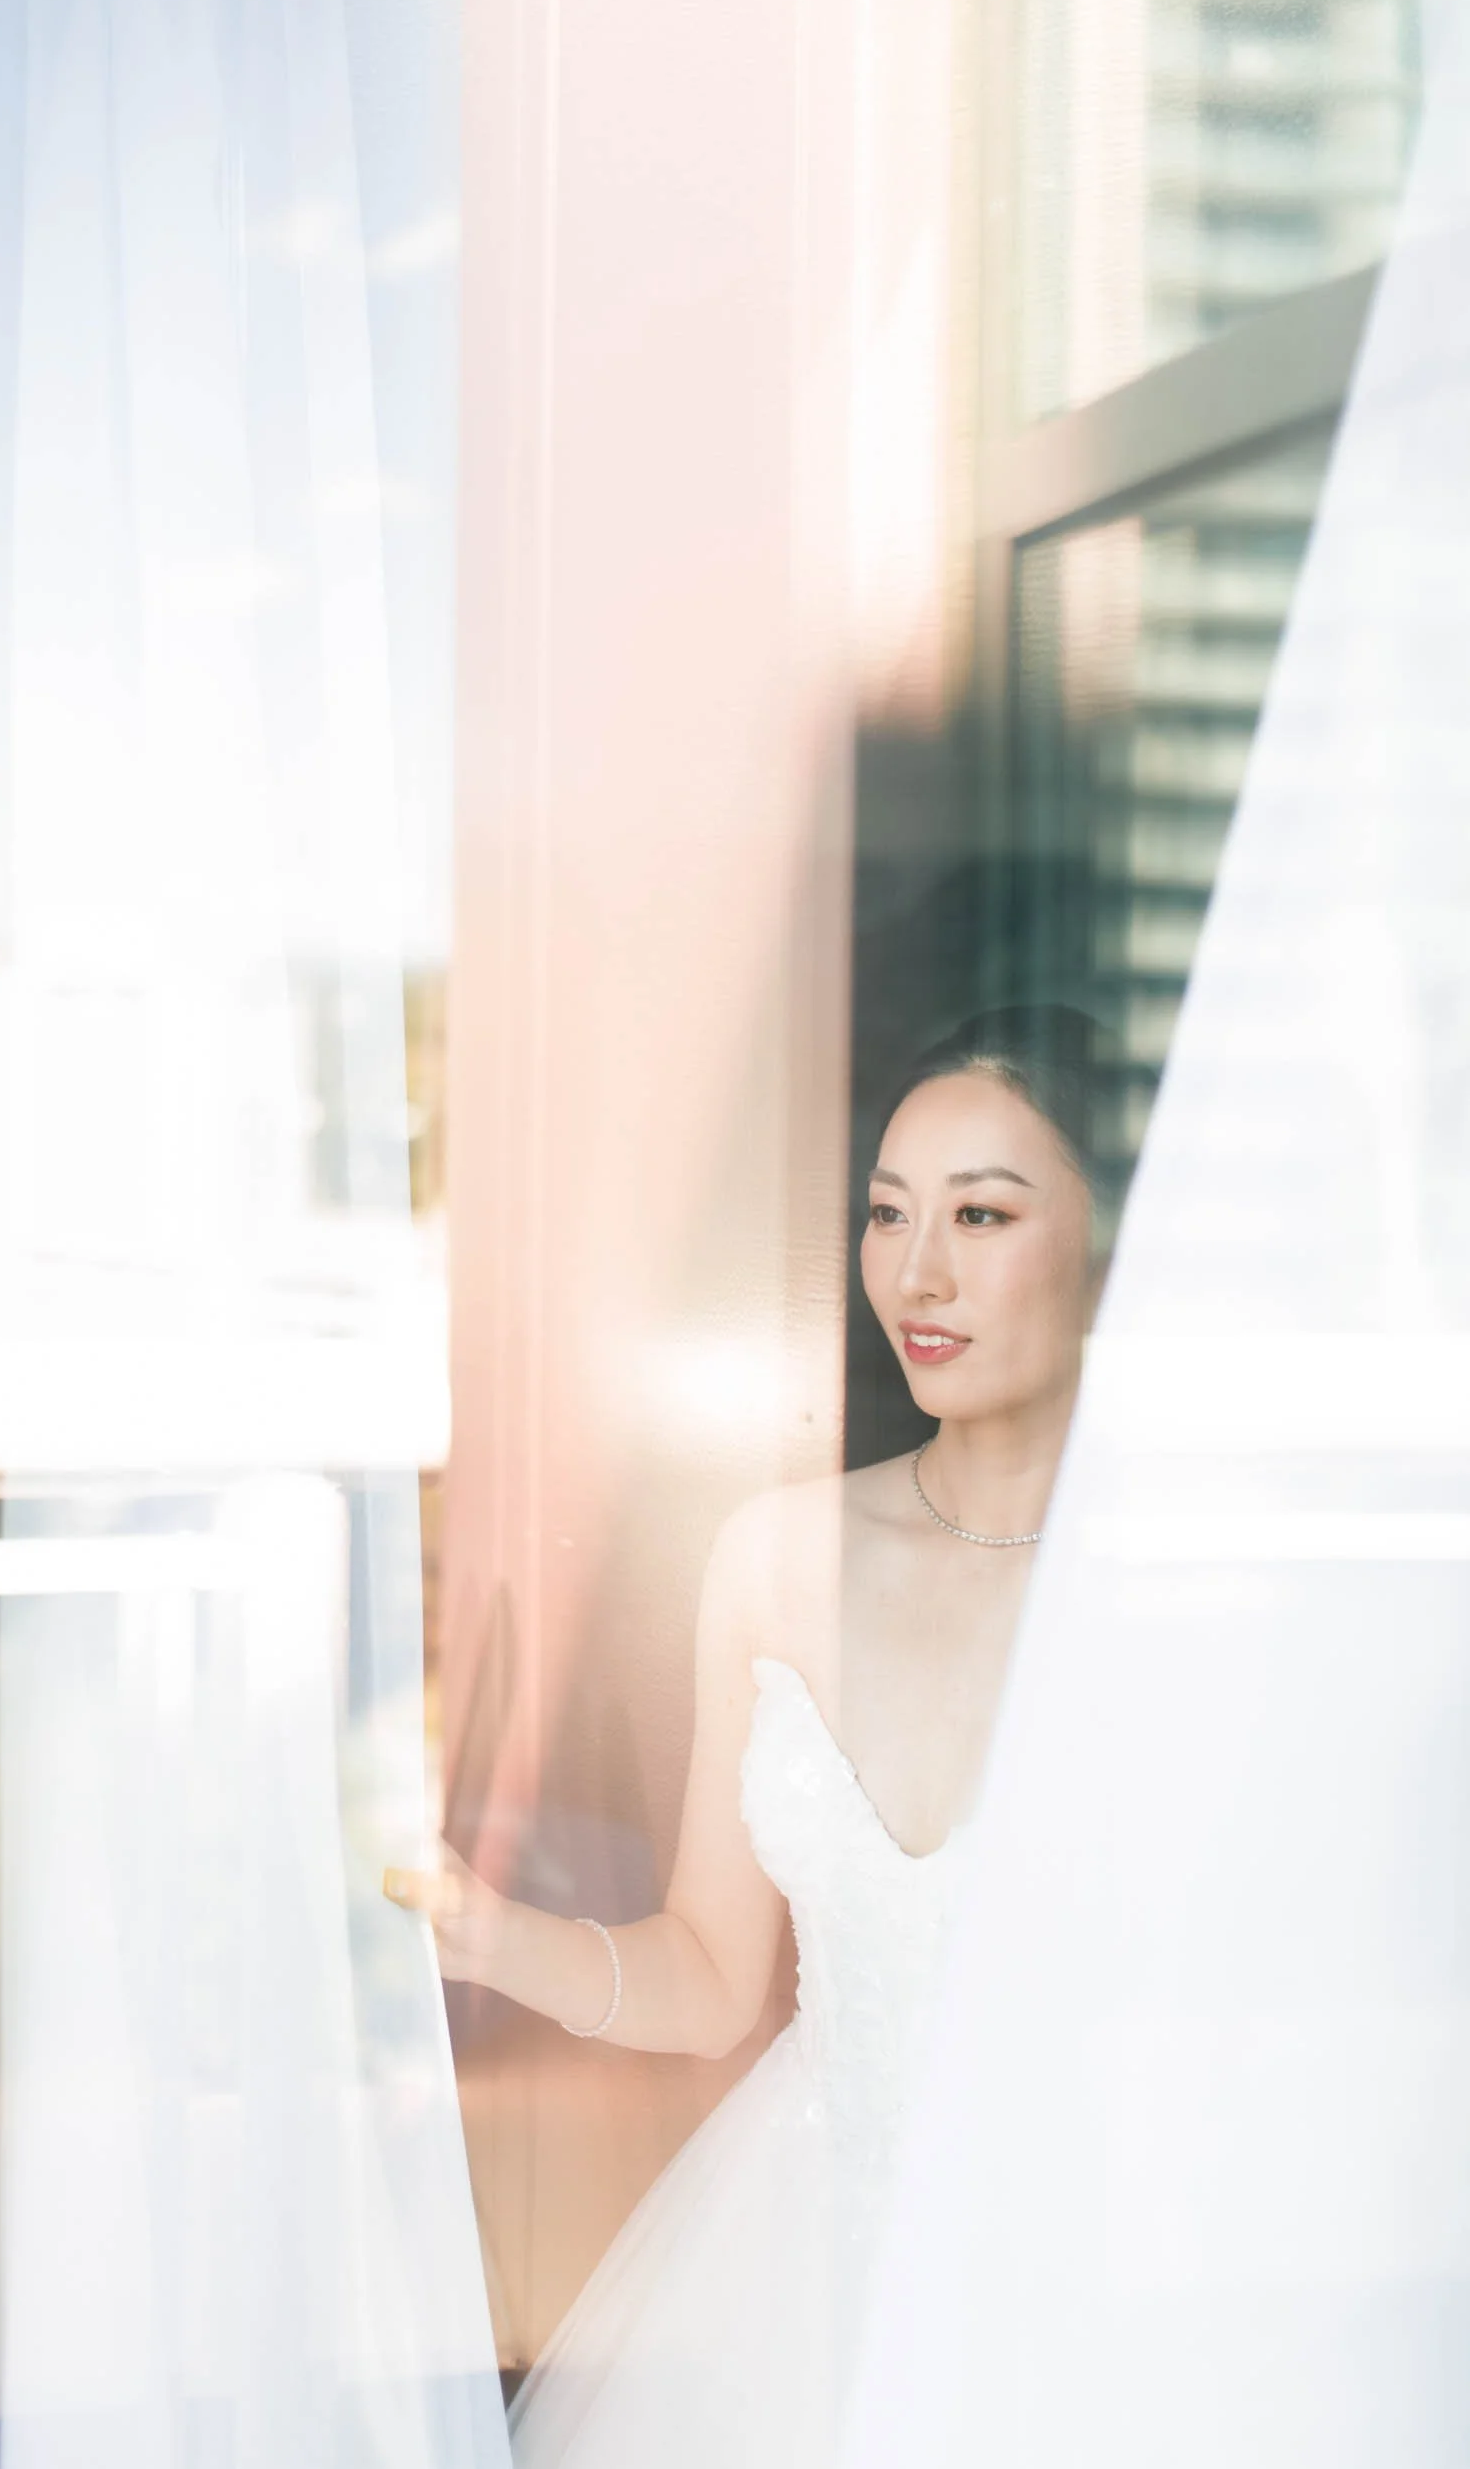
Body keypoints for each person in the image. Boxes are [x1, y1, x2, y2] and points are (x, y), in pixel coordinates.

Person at [385, 1004, 1114, 2467]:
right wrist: (477, 1930)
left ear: (1107, 1252)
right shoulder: (779, 1557)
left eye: (982, 1214)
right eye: (889, 1213)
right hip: (815, 2290)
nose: (918, 1273)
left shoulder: (1177, 1582)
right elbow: (718, 1978)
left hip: (1106, 2281)